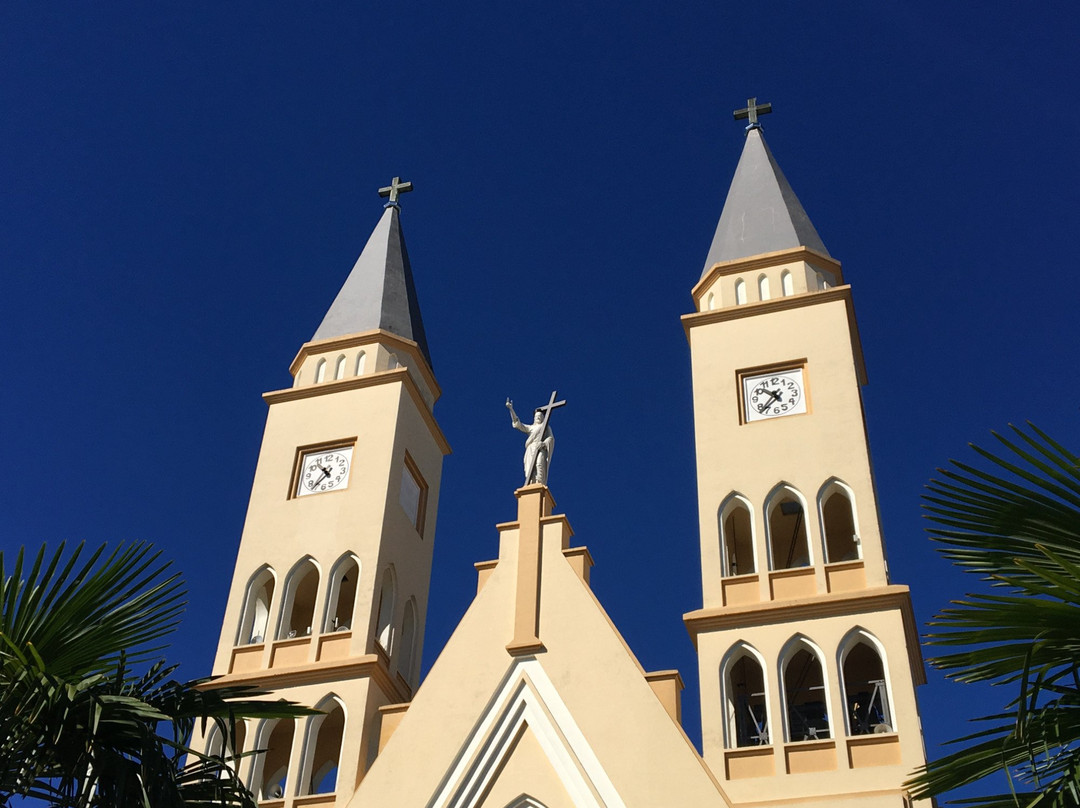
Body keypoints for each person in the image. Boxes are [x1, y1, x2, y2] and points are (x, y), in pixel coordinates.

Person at [506, 398, 554, 486]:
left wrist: (543, 443)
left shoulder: (546, 427)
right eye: (536, 416)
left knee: (539, 464)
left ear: (543, 418)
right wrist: (511, 409)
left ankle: (539, 483)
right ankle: (531, 483)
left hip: (540, 447)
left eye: (540, 416)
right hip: (530, 448)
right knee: (529, 469)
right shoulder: (531, 428)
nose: (538, 418)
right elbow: (518, 424)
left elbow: (551, 438)